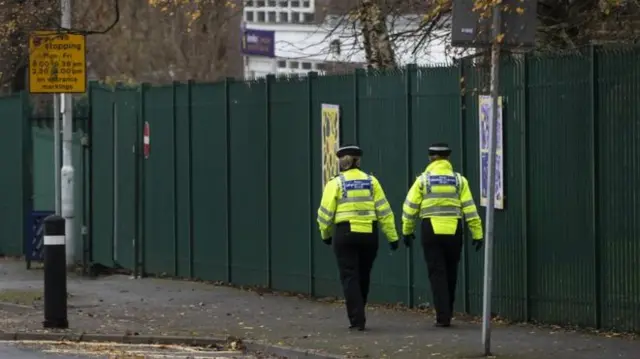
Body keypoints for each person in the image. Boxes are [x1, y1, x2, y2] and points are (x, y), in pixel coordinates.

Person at [316, 145, 399, 331]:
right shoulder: (372, 182)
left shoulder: (335, 184)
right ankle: (359, 312)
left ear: (341, 163)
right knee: (363, 275)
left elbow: (325, 214)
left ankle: (357, 319)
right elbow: (384, 211)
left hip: (345, 234)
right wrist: (392, 237)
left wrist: (325, 235)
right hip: (369, 234)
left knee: (349, 276)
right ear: (358, 161)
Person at [401, 143, 484, 327]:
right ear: (448, 158)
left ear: (431, 158)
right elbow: (469, 208)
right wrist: (477, 233)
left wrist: (407, 231)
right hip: (454, 229)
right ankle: (448, 311)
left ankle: (442, 316)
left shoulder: (423, 180)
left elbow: (410, 207)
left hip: (431, 229)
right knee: (451, 272)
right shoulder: (459, 180)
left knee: (436, 273)